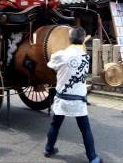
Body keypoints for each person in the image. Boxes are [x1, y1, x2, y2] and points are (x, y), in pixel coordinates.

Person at [43, 27, 102, 163]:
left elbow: (51, 65)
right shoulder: (86, 57)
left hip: (62, 98)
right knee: (85, 130)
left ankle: (48, 149)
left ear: (69, 39)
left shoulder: (60, 55)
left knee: (55, 125)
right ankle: (93, 158)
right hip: (78, 101)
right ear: (82, 40)